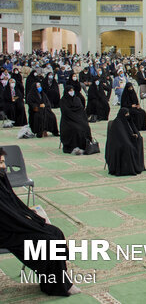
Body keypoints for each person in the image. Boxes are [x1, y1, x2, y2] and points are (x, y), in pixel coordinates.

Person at [0, 148, 80, 296]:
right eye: (0, 163)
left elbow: (13, 203)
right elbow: (5, 216)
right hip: (6, 230)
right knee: (48, 241)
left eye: (3, 162)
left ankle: (59, 280)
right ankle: (55, 286)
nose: (4, 166)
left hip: (14, 223)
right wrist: (28, 223)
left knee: (55, 232)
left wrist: (31, 215)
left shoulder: (1, 177)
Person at [105, 108, 145, 176]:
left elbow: (127, 132)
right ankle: (127, 168)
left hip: (125, 140)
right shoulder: (117, 123)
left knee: (139, 141)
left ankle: (137, 165)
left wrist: (134, 135)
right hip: (118, 143)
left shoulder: (126, 121)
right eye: (126, 114)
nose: (128, 115)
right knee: (128, 147)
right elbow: (120, 135)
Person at [59, 85, 92, 154]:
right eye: (70, 91)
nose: (72, 92)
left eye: (72, 90)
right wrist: (75, 116)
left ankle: (85, 145)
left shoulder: (77, 99)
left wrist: (80, 118)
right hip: (68, 121)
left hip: (78, 119)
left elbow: (80, 109)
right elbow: (66, 112)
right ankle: (74, 146)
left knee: (85, 127)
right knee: (76, 129)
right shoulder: (63, 101)